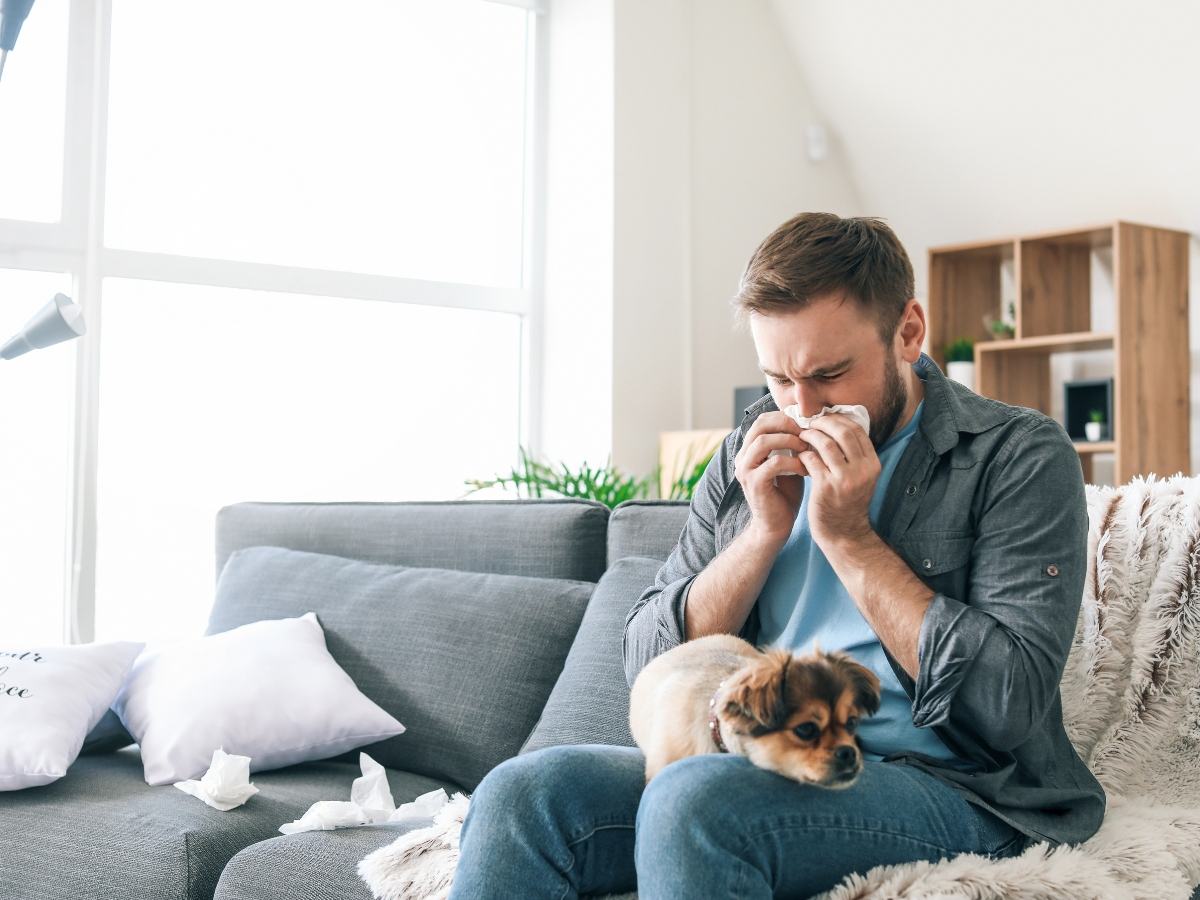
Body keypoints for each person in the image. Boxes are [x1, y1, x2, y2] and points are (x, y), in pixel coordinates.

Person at [448, 213, 1104, 900]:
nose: (801, 406)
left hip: (950, 784)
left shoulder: (1015, 456)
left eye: (829, 375)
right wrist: (760, 533)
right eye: (778, 378)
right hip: (755, 757)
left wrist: (850, 538)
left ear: (908, 333)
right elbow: (648, 665)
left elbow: (1008, 704)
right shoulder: (748, 450)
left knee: (694, 800)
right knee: (521, 794)